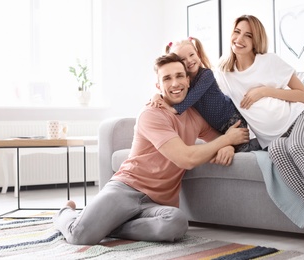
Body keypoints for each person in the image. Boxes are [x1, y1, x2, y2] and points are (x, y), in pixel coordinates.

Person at [53, 53, 249, 245]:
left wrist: (228, 145)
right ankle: (64, 213)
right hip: (126, 189)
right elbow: (186, 159)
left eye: (180, 76)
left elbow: (218, 140)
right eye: (167, 78)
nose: (175, 83)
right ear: (158, 86)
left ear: (189, 81)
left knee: (176, 224)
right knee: (79, 236)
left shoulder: (196, 116)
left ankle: (109, 226)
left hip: (157, 205)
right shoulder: (151, 113)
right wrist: (226, 140)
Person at [215, 14, 304, 257]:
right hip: (274, 138)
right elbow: (204, 89)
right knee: (279, 152)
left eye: (248, 35)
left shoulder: (269, 62)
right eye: (237, 31)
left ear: (256, 41)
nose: (239, 38)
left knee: (298, 147)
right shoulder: (225, 73)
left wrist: (264, 91)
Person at [150, 37, 261, 152]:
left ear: (198, 54)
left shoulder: (206, 75)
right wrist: (156, 96)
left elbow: (193, 96)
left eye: (191, 55)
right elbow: (169, 92)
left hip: (231, 117)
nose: (189, 60)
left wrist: (174, 110)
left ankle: (264, 142)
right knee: (226, 149)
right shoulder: (185, 83)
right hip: (215, 126)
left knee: (243, 150)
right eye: (183, 59)